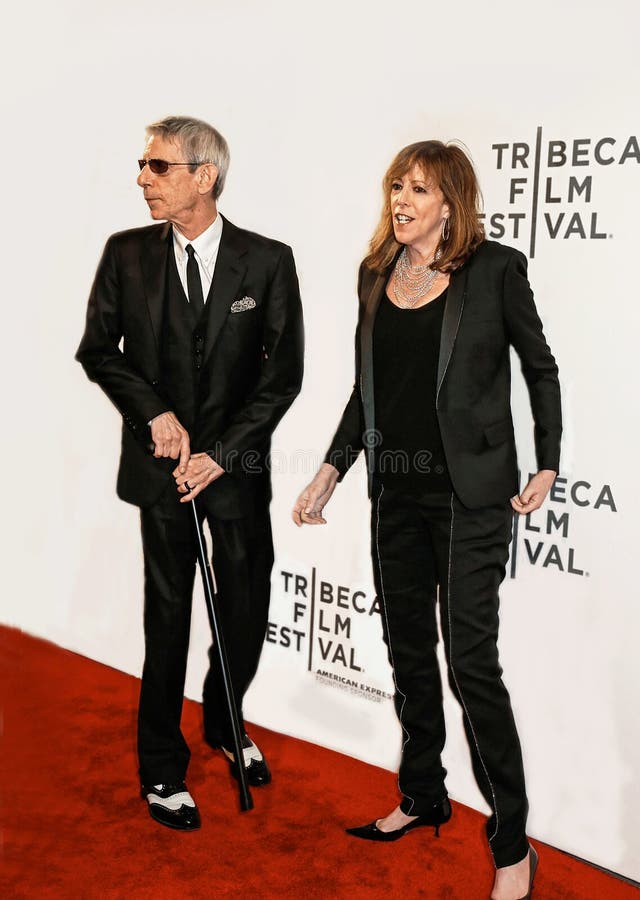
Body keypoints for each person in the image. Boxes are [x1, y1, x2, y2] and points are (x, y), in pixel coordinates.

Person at [293, 140, 560, 900]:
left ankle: (511, 842)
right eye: (394, 185)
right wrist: (330, 470)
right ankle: (422, 794)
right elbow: (366, 387)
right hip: (396, 494)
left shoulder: (495, 270)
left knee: (470, 666)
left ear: (450, 201)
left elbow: (538, 367)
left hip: (470, 498)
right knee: (407, 649)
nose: (400, 199)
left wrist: (545, 460)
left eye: (416, 188)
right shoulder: (375, 274)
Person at [77, 116, 304, 831]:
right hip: (160, 470)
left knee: (243, 607)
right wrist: (153, 416)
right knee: (167, 615)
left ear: (204, 176)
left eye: (158, 166)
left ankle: (224, 720)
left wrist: (222, 453)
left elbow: (283, 375)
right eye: (143, 165)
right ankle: (161, 767)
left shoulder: (266, 261)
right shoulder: (126, 254)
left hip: (231, 471)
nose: (142, 178)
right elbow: (98, 350)